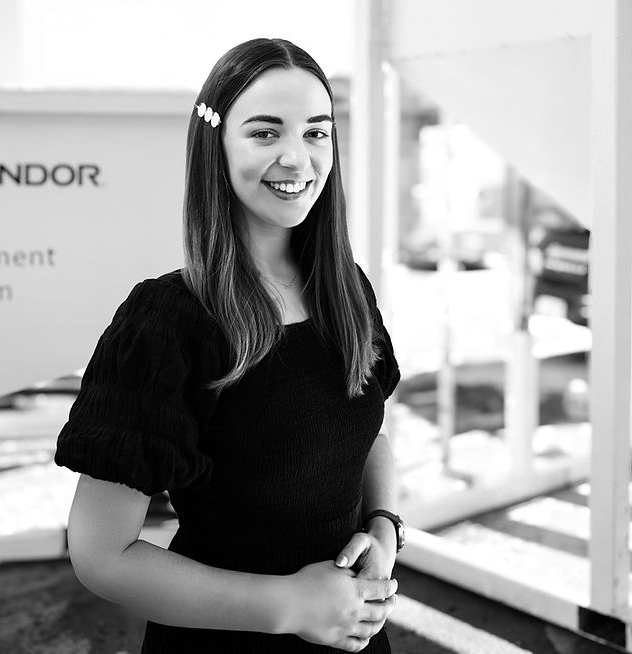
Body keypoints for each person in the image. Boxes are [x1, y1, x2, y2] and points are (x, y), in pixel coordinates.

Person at [55, 37, 403, 653]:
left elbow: (365, 429)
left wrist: (383, 527)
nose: (297, 159)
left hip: (351, 632)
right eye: (265, 133)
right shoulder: (167, 321)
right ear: (215, 146)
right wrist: (289, 606)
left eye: (316, 133)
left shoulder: (345, 289)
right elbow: (101, 555)